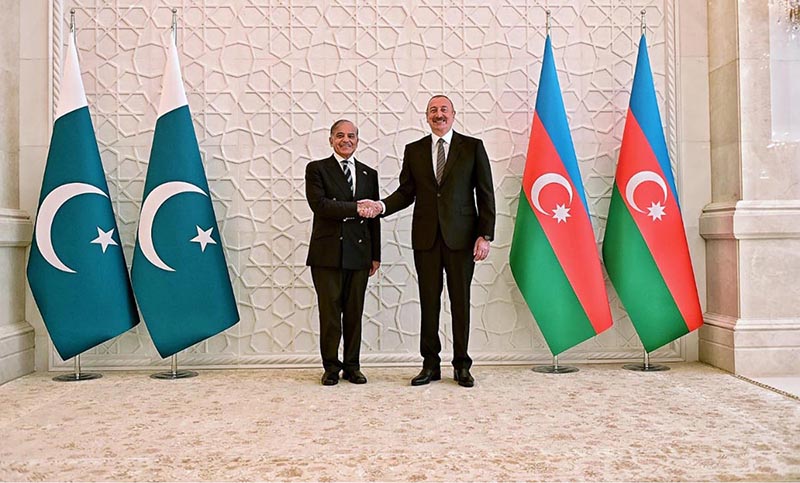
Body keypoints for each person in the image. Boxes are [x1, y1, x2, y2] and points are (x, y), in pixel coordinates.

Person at [362, 95, 495, 387]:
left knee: (461, 302)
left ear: (453, 114)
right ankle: (430, 365)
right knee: (428, 303)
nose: (439, 114)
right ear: (426, 116)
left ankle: (462, 365)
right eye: (433, 110)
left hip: (462, 239)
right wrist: (381, 206)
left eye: (443, 109)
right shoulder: (415, 150)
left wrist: (485, 235)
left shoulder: (472, 147)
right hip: (426, 239)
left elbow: (485, 194)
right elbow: (405, 192)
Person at [305, 120, 380, 386]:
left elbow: (374, 218)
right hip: (327, 254)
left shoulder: (369, 174)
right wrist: (355, 208)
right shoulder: (316, 169)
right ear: (331, 140)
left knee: (354, 313)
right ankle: (330, 367)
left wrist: (376, 255)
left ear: (357, 141)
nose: (345, 140)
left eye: (351, 136)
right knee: (330, 313)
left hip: (359, 253)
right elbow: (321, 205)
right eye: (340, 135)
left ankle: (352, 366)